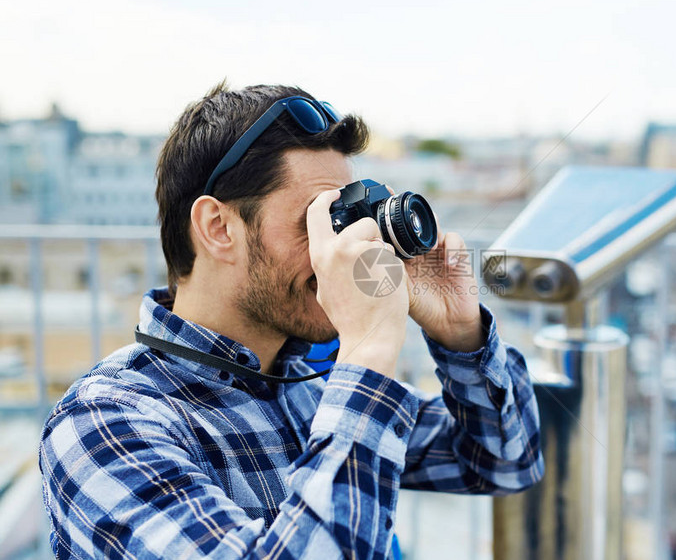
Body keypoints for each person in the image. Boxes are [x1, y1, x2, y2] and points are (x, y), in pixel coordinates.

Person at [38, 83, 544, 559]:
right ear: (218, 228)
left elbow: (505, 460)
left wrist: (462, 335)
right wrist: (368, 349)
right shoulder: (103, 424)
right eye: (318, 221)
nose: (341, 249)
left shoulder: (309, 383)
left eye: (345, 220)